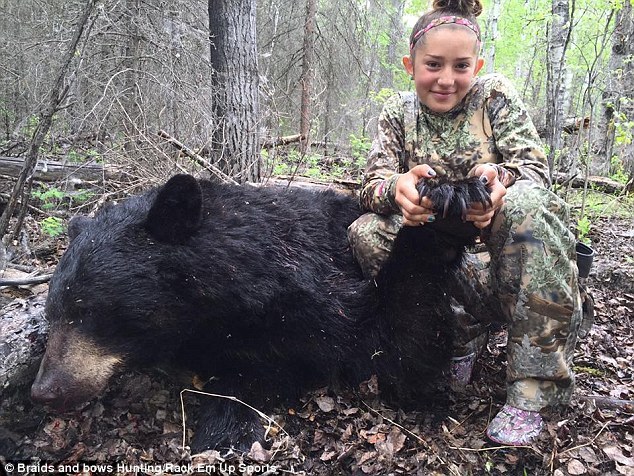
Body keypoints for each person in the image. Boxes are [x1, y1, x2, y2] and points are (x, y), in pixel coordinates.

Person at [347, 0, 582, 446]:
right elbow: (369, 183)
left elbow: (535, 172)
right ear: (410, 64)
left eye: (460, 66)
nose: (446, 79)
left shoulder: (492, 97)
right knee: (366, 232)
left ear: (478, 64)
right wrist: (395, 190)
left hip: (503, 259)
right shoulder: (398, 113)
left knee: (529, 207)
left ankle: (533, 388)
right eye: (433, 65)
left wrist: (501, 184)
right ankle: (454, 337)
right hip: (444, 258)